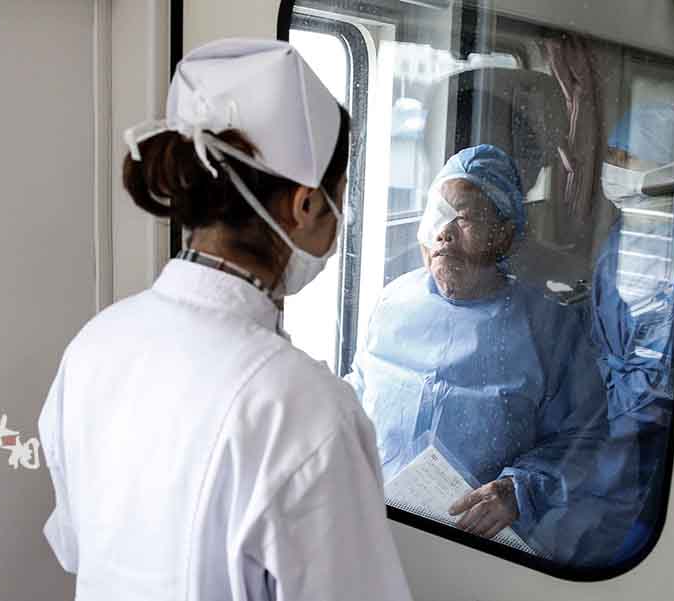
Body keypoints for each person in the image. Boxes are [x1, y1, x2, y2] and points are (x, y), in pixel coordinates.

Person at [38, 39, 412, 601]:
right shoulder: (307, 413)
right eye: (339, 194)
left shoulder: (97, 343)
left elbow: (76, 545)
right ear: (305, 205)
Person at [347, 144, 612, 562]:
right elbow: (358, 392)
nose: (444, 232)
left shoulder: (548, 329)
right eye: (439, 215)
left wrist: (518, 490)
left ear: (504, 233)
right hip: (375, 522)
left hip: (476, 545)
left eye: (466, 217)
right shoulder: (394, 302)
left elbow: (588, 436)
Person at [590, 103, 674, 560]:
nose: (612, 168)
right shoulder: (624, 232)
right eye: (610, 155)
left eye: (625, 156)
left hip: (652, 443)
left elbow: (667, 372)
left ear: (664, 164)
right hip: (610, 424)